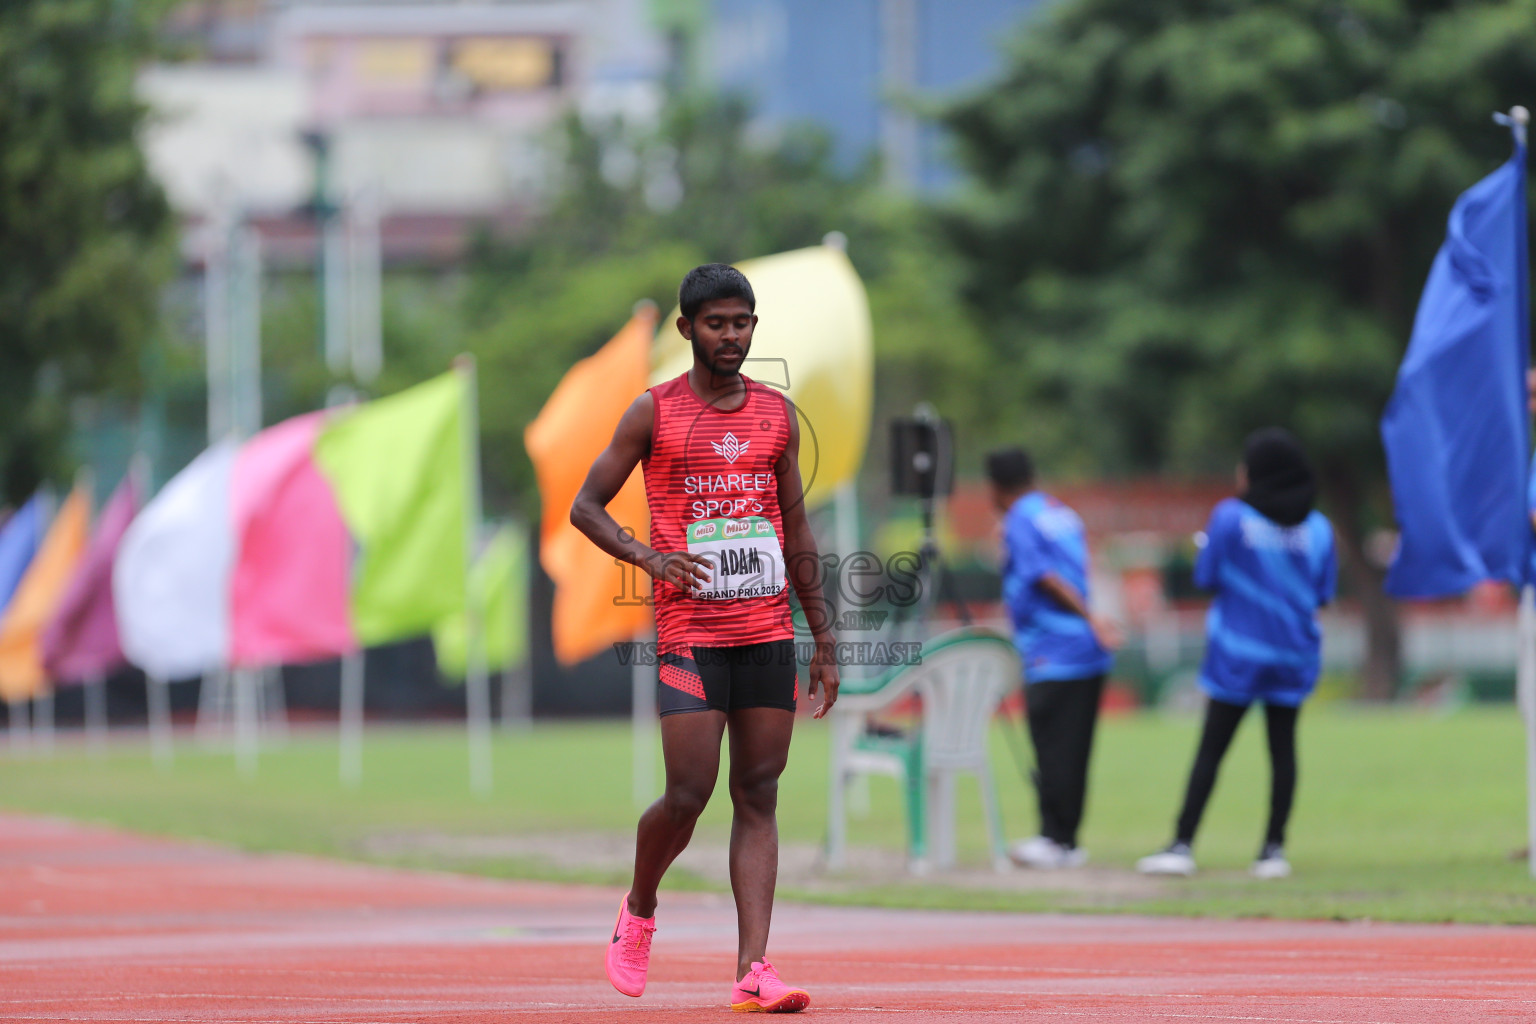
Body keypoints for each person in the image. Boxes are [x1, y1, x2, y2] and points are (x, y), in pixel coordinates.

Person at [570, 263, 838, 1013]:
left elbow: (796, 527)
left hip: (765, 632)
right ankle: (640, 906)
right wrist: (651, 558)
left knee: (758, 792)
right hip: (691, 633)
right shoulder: (651, 413)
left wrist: (823, 634)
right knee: (688, 793)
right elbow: (586, 508)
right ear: (687, 330)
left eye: (743, 322)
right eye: (717, 323)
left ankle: (755, 969)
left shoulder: (777, 416)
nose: (732, 336)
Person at [1137, 428, 1336, 880]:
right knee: (1282, 750)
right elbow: (1323, 593)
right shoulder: (1320, 527)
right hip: (1295, 655)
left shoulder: (1230, 517)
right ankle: (1273, 851)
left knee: (1212, 748)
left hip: (1239, 654)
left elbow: (1206, 576)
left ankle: (1182, 844)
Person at [987, 448, 1117, 870]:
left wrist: (1089, 616)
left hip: (1052, 649)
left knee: (1051, 746)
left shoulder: (1019, 519)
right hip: (1086, 649)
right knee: (1076, 748)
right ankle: (1069, 840)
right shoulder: (1061, 512)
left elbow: (1044, 577)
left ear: (995, 487)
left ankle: (1052, 838)